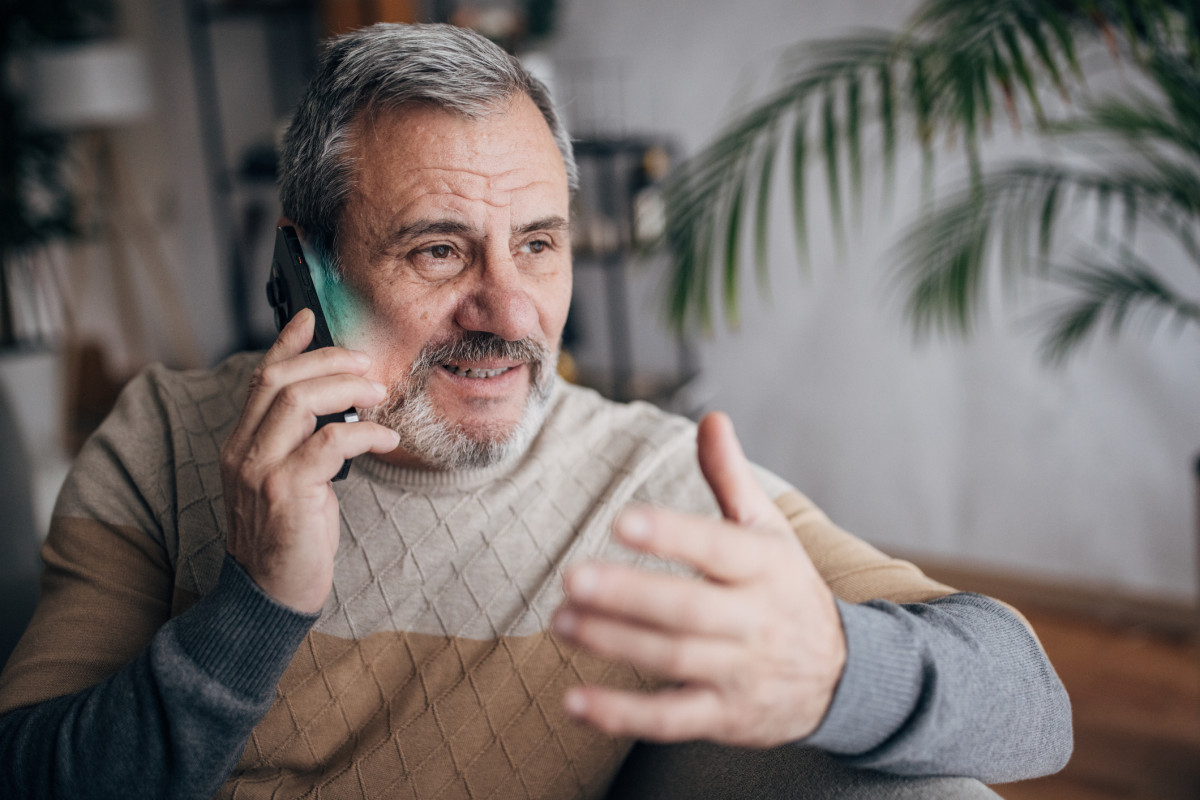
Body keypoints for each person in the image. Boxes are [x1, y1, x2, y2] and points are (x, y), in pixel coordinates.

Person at [0, 22, 1070, 800]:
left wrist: (840, 669)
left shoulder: (655, 479)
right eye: (437, 248)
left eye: (540, 243)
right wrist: (255, 605)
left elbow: (1034, 704)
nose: (510, 311)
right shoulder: (162, 442)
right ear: (302, 265)